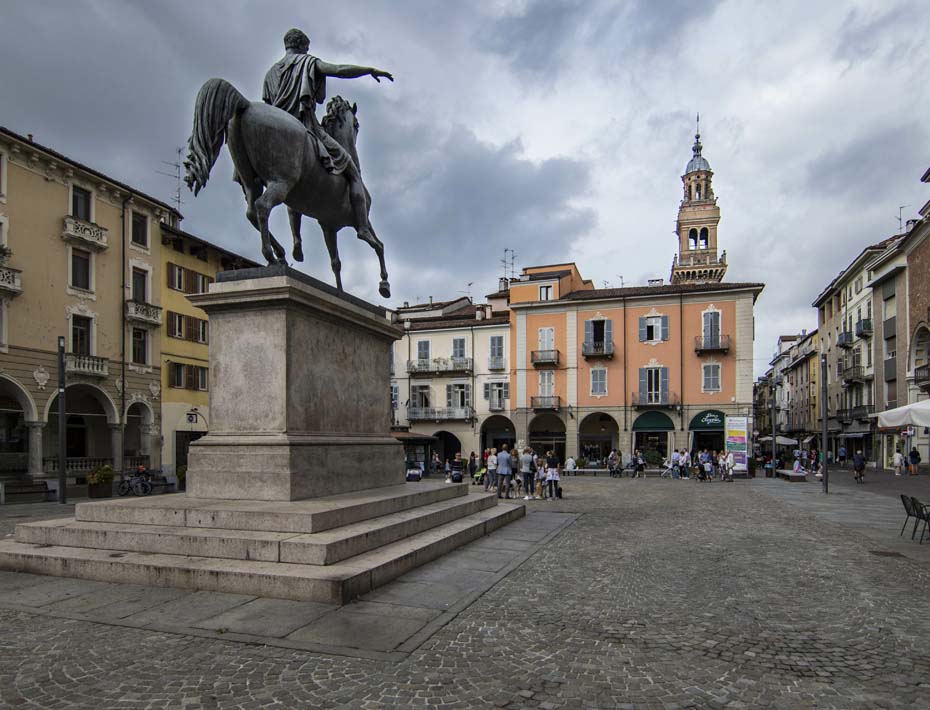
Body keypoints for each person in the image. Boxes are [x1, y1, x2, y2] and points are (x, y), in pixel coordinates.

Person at [261, 29, 393, 247]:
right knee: (352, 171)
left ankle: (296, 237)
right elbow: (339, 70)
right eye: (307, 47)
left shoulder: (269, 74)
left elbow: (267, 110)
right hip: (306, 125)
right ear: (303, 46)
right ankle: (362, 227)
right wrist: (369, 70)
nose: (307, 50)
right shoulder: (308, 62)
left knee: (282, 180)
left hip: (275, 137)